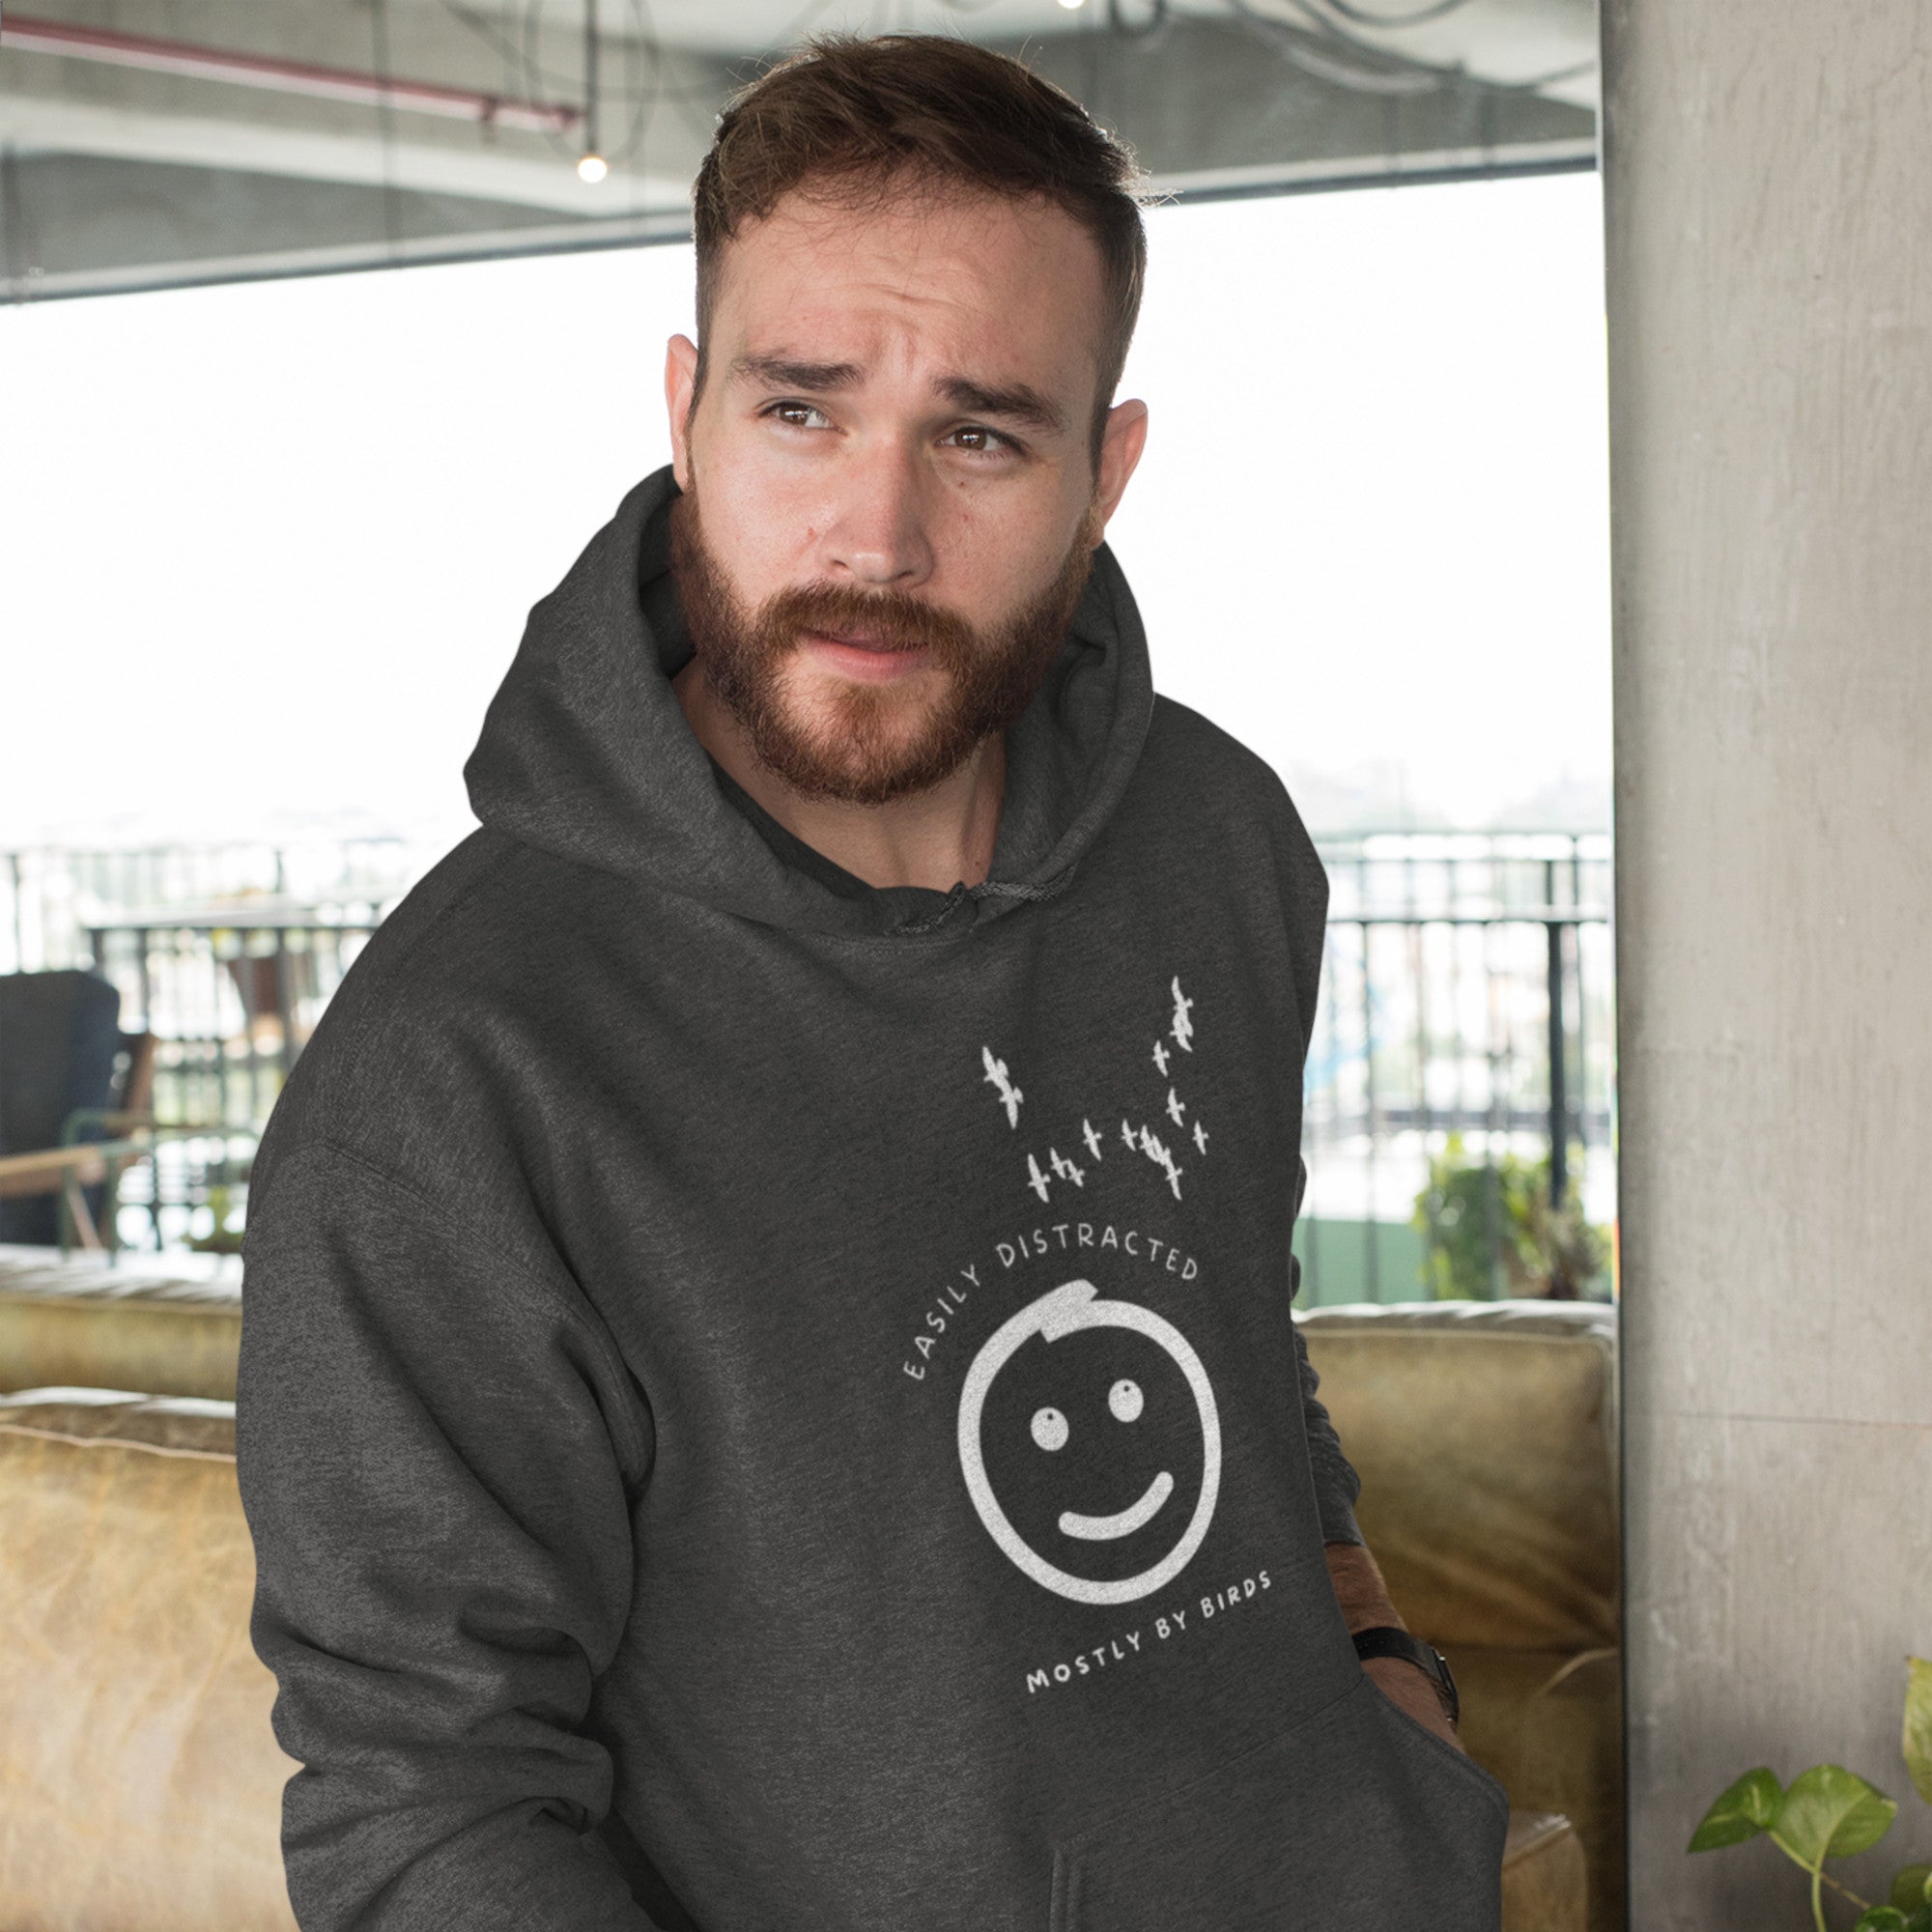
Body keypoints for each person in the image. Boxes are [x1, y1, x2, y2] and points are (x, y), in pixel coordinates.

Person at [236, 31, 1509, 1930]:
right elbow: (426, 1811)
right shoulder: (458, 1071)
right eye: (801, 412)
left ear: (1106, 471)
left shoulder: (1214, 847)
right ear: (685, 416)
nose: (877, 536)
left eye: (981, 432)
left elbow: (1227, 1317)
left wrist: (1385, 1698)